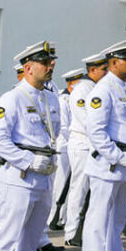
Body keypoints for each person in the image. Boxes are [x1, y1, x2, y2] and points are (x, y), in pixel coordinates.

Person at [0, 41, 60, 251]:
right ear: (28, 67)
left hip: (45, 174)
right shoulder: (12, 98)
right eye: (45, 62)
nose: (51, 65)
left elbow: (57, 132)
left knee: (32, 237)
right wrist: (30, 160)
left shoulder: (51, 98)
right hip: (19, 175)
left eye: (51, 61)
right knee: (9, 237)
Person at [81, 41, 126, 251]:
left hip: (125, 162)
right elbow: (95, 132)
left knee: (117, 219)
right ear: (113, 62)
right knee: (97, 220)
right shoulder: (102, 90)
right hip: (107, 164)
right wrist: (117, 156)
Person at [63, 52, 108, 246]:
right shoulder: (82, 89)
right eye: (103, 69)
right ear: (92, 70)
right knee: (79, 189)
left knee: (93, 190)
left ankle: (87, 230)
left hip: (95, 145)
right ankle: (72, 232)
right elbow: (85, 121)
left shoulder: (99, 88)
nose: (107, 72)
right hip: (83, 144)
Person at [47, 68, 85, 231]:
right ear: (71, 84)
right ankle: (53, 217)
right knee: (60, 184)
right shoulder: (63, 100)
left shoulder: (74, 98)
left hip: (71, 145)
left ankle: (64, 217)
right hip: (63, 145)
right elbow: (63, 126)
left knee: (71, 184)